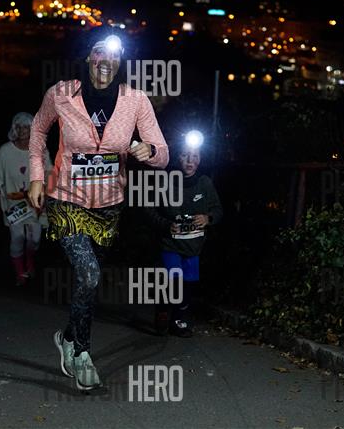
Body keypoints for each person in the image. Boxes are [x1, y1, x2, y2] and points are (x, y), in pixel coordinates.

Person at [28, 27, 169, 390]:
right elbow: (38, 131)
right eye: (98, 52)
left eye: (114, 54)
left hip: (108, 207)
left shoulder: (136, 101)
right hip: (66, 199)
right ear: (88, 57)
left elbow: (163, 153)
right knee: (89, 273)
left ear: (120, 61)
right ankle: (82, 353)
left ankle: (68, 337)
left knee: (88, 280)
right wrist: (37, 177)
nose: (105, 60)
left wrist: (149, 151)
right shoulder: (61, 94)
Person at [146, 134, 223, 337]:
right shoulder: (164, 181)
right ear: (177, 157)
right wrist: (166, 225)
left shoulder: (205, 183)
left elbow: (218, 210)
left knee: (187, 284)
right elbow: (148, 210)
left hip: (194, 247)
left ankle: (178, 320)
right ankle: (163, 311)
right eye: (185, 155)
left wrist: (208, 218)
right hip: (170, 245)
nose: (190, 160)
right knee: (173, 280)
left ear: (200, 158)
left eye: (195, 156)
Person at [0, 112, 52, 286]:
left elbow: (49, 172)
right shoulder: (4, 151)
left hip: (35, 203)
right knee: (17, 237)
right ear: (14, 129)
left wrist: (48, 193)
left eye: (27, 127)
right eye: (20, 127)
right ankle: (20, 273)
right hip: (14, 204)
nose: (23, 130)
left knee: (34, 239)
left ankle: (29, 259)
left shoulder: (40, 150)